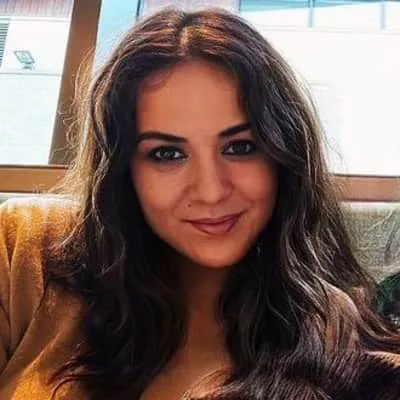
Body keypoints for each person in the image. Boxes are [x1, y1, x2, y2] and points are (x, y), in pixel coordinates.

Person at [0, 7, 399, 400]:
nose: (210, 191)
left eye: (240, 147)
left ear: (284, 156)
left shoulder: (327, 328)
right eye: (167, 154)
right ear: (123, 170)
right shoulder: (27, 248)